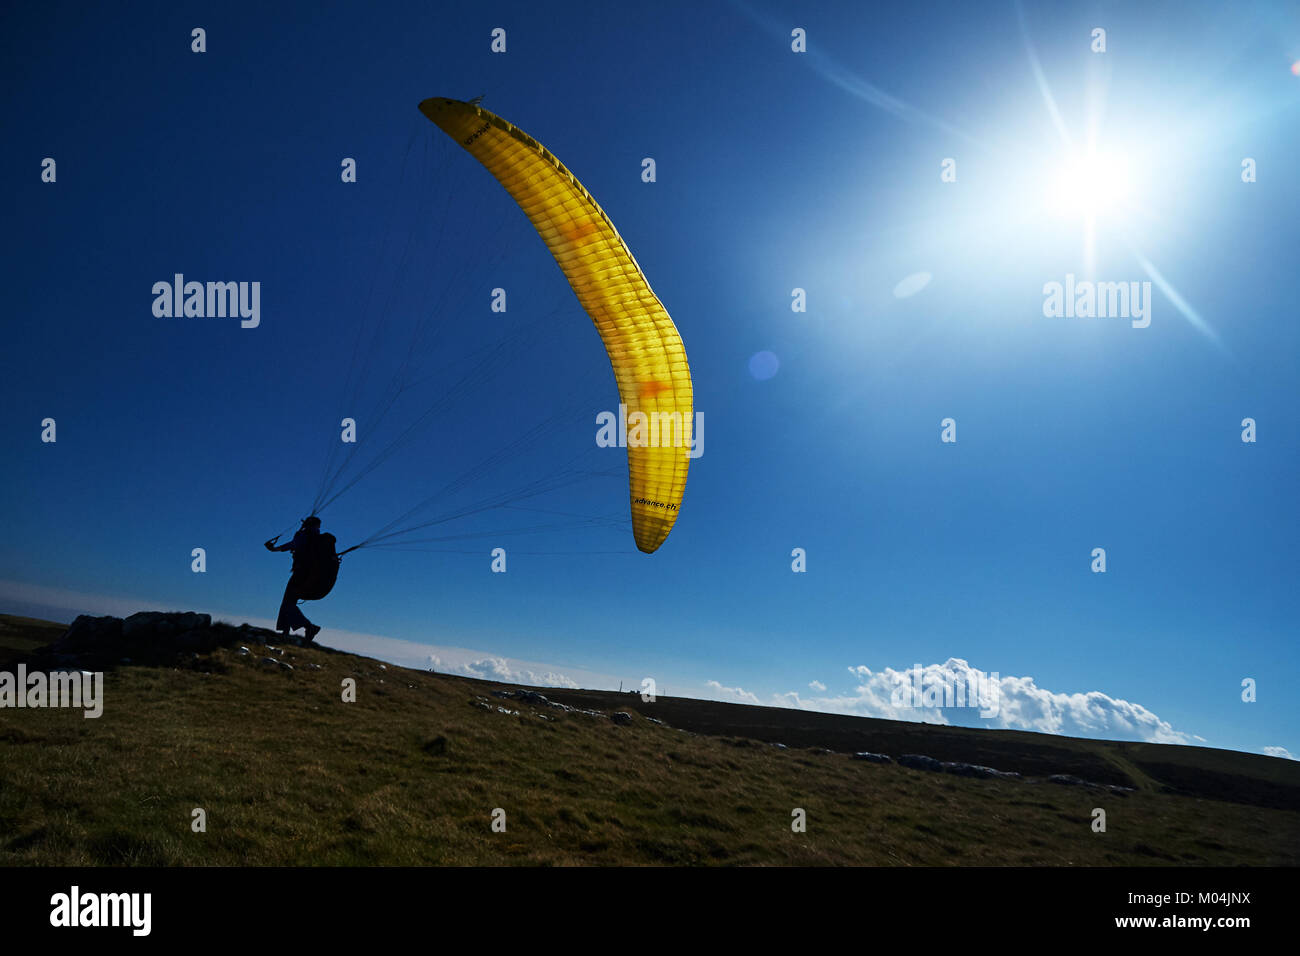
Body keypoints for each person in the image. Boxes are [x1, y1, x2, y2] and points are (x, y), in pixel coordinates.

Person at [265, 517, 325, 642]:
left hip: (300, 573)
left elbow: (292, 545)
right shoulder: (319, 539)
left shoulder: (304, 535)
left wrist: (274, 549)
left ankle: (309, 627)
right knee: (289, 601)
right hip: (311, 575)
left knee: (288, 602)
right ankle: (285, 633)